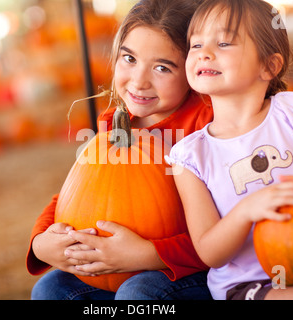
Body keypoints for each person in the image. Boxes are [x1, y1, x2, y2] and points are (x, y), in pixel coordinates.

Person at [167, 0, 293, 300]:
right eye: (196, 43)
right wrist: (246, 212)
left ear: (269, 65)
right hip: (253, 285)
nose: (204, 52)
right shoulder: (190, 156)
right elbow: (209, 252)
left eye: (224, 42)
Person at [27, 0, 214, 300]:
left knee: (136, 293)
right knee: (51, 289)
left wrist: (146, 255)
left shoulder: (204, 126)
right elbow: (73, 194)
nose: (139, 81)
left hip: (192, 273)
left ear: (193, 70)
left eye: (162, 67)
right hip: (115, 269)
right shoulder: (115, 126)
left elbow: (224, 231)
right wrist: (41, 243)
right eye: (129, 59)